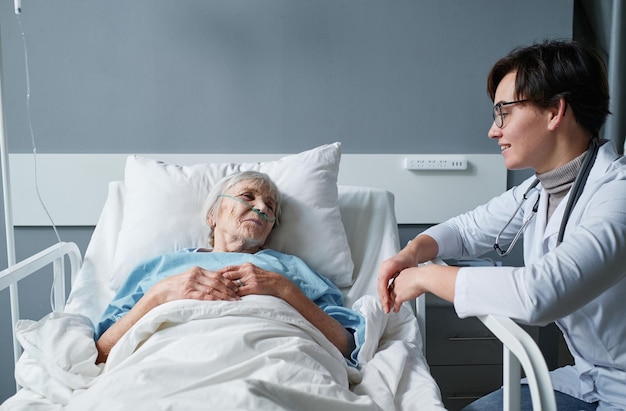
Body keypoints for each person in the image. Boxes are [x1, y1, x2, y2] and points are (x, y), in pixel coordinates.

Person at [378, 39, 626, 410]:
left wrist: (425, 277)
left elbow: (539, 294)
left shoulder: (617, 196)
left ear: (555, 111)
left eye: (503, 113)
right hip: (588, 378)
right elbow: (464, 230)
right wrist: (413, 252)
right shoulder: (539, 190)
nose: (494, 131)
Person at [96, 170, 364, 366]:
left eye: (270, 207)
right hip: (168, 362)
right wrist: (161, 293)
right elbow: (102, 352)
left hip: (276, 362)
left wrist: (283, 289)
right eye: (248, 197)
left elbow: (345, 345)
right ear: (212, 215)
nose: (261, 207)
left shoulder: (290, 269)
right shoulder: (162, 267)